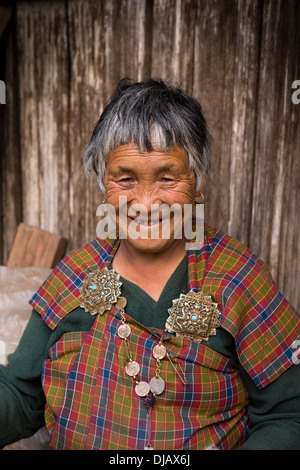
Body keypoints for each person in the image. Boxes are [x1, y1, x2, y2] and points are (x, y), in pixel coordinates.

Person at [1, 78, 300, 450]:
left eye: (167, 177)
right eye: (125, 179)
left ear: (197, 181)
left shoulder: (238, 278)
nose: (144, 202)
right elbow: (19, 392)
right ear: (103, 183)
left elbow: (288, 415)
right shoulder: (75, 276)